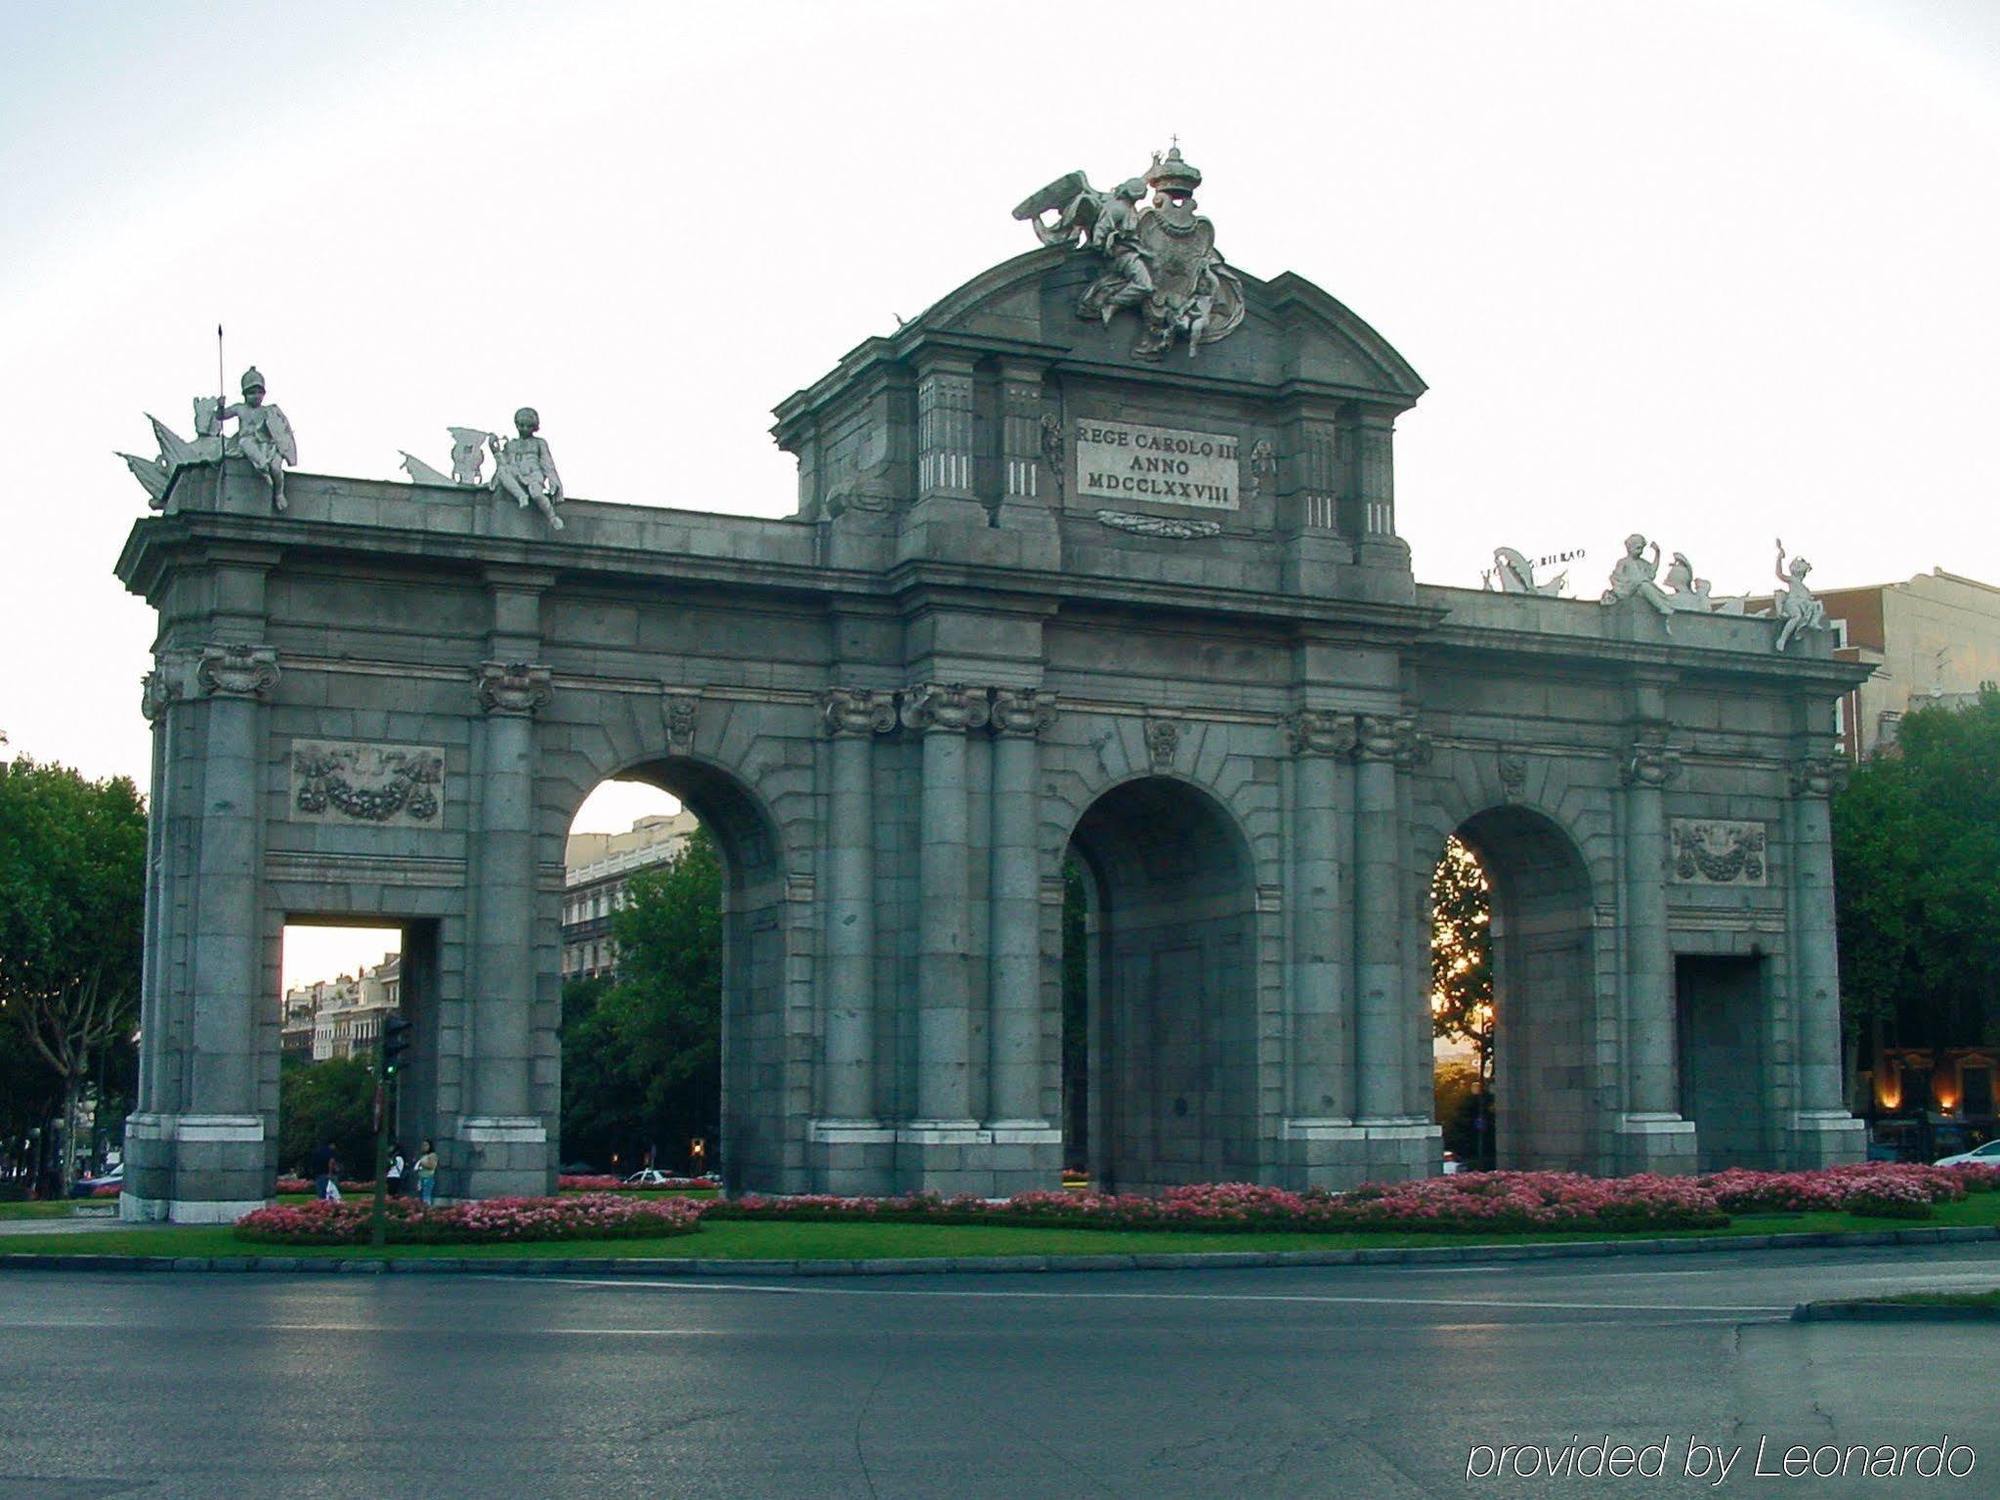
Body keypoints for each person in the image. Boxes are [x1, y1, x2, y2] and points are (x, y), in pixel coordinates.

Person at [216, 367, 297, 511]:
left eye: (260, 392)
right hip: (248, 441)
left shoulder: (269, 411)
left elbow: (281, 431)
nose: (256, 396)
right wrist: (220, 406)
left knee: (276, 469)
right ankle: (265, 474)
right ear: (245, 394)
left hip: (269, 445)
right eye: (252, 393)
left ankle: (278, 493)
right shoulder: (240, 408)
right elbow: (221, 416)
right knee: (257, 457)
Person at [489, 408, 565, 530]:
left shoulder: (539, 443)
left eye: (528, 426)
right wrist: (495, 451)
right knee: (503, 471)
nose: (524, 429)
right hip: (515, 474)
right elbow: (503, 463)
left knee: (536, 493)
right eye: (521, 425)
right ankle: (521, 496)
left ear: (534, 427)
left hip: (533, 474)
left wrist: (553, 481)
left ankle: (552, 517)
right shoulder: (511, 444)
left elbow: (547, 463)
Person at [415, 1140, 439, 1206]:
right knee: (421, 1196)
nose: (424, 1147)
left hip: (428, 1178)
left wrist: (422, 1163)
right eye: (423, 1145)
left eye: (426, 1145)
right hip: (421, 1177)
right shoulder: (423, 1155)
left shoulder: (432, 1155)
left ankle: (427, 1209)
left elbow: (432, 1166)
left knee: (426, 1195)